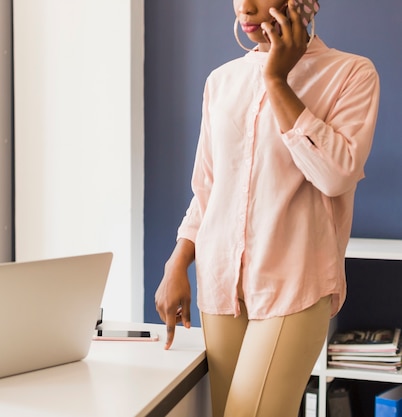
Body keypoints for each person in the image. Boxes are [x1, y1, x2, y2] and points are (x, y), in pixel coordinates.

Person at [154, 1, 379, 416]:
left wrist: (277, 79)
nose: (248, 6)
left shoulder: (350, 73)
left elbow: (335, 175)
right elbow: (208, 187)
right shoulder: (220, 81)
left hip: (295, 283)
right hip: (219, 284)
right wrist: (177, 261)